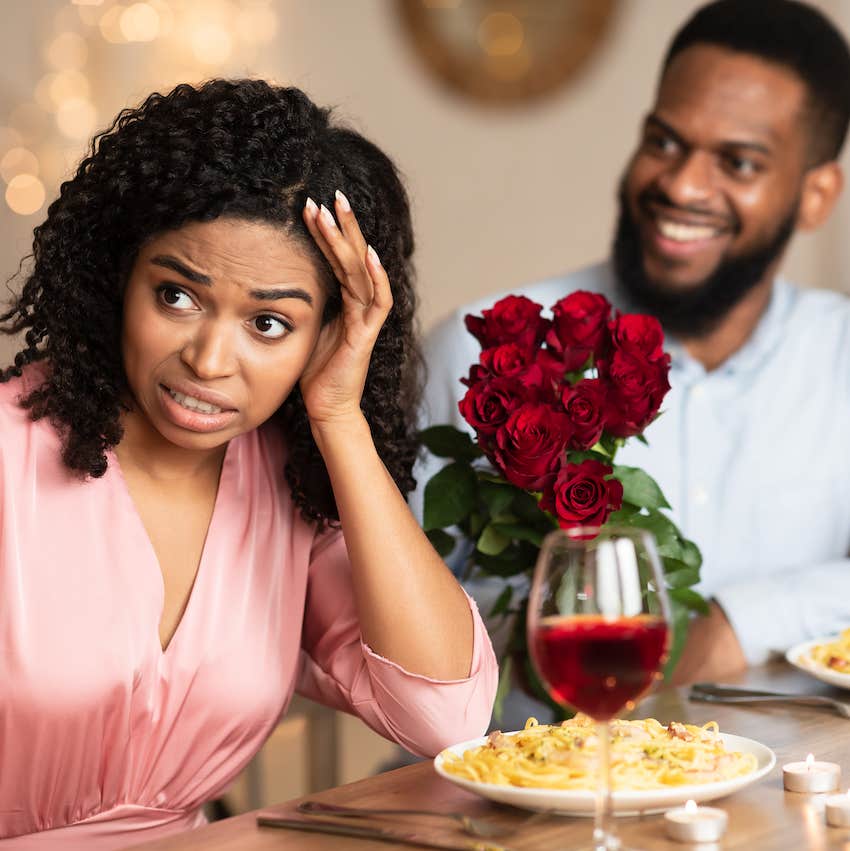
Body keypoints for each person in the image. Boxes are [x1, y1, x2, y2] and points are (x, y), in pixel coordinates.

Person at [0, 79, 497, 848]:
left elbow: (447, 716)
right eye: (176, 296)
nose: (208, 358)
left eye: (269, 322)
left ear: (325, 333)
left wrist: (339, 418)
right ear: (117, 274)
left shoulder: (288, 486)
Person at [418, 0, 850, 690]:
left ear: (816, 195)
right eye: (664, 142)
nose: (680, 185)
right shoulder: (477, 352)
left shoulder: (841, 356)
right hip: (513, 786)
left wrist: (742, 620)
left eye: (738, 163)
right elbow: (375, 618)